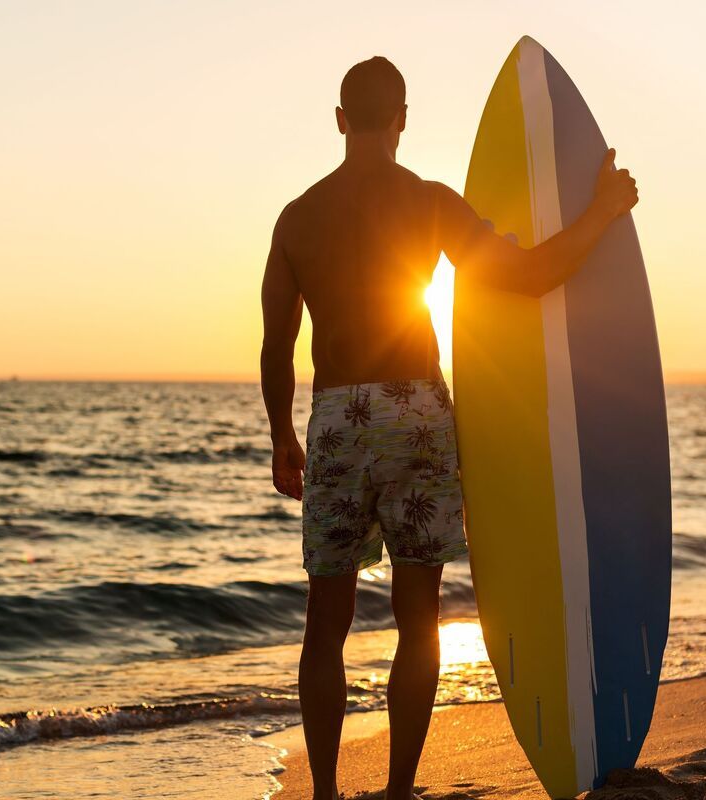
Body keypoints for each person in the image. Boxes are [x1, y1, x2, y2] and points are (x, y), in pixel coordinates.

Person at [259, 56, 638, 800]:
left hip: (337, 421)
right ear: (402, 119)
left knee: (325, 620)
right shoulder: (428, 203)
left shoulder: (297, 217)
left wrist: (282, 435)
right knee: (418, 617)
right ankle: (399, 791)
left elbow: (276, 346)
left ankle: (325, 794)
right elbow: (530, 276)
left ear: (340, 120)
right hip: (418, 417)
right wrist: (601, 211)